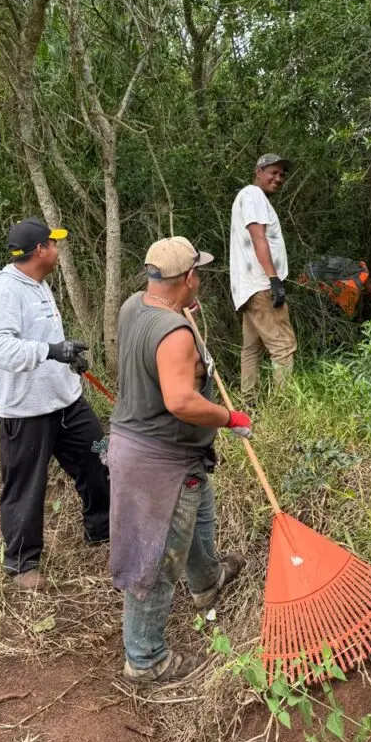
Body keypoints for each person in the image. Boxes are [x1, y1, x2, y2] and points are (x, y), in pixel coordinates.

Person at [108, 237, 249, 685]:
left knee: (199, 515)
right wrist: (231, 417)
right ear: (187, 278)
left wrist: (183, 312)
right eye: (197, 273)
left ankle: (207, 581)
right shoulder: (174, 334)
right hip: (158, 462)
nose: (200, 279)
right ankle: (145, 660)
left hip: (162, 451)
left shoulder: (137, 305)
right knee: (156, 560)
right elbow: (181, 401)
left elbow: (161, 331)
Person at [0, 217, 110, 590]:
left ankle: (101, 528)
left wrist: (67, 357)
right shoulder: (6, 292)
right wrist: (50, 350)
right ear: (40, 250)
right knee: (25, 488)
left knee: (100, 456)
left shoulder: (39, 285)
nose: (57, 248)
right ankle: (22, 564)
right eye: (54, 244)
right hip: (25, 412)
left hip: (66, 402)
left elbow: (43, 341)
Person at [230, 153, 297, 396]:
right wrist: (274, 280)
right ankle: (283, 407)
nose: (278, 178)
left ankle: (250, 402)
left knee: (251, 348)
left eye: (282, 175)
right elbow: (259, 238)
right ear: (258, 171)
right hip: (261, 285)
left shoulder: (249, 197)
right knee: (283, 346)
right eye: (273, 172)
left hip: (248, 287)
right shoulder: (253, 195)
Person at [299, 256, 371, 324]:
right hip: (306, 283)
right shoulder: (353, 289)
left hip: (309, 267)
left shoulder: (361, 269)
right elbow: (344, 316)